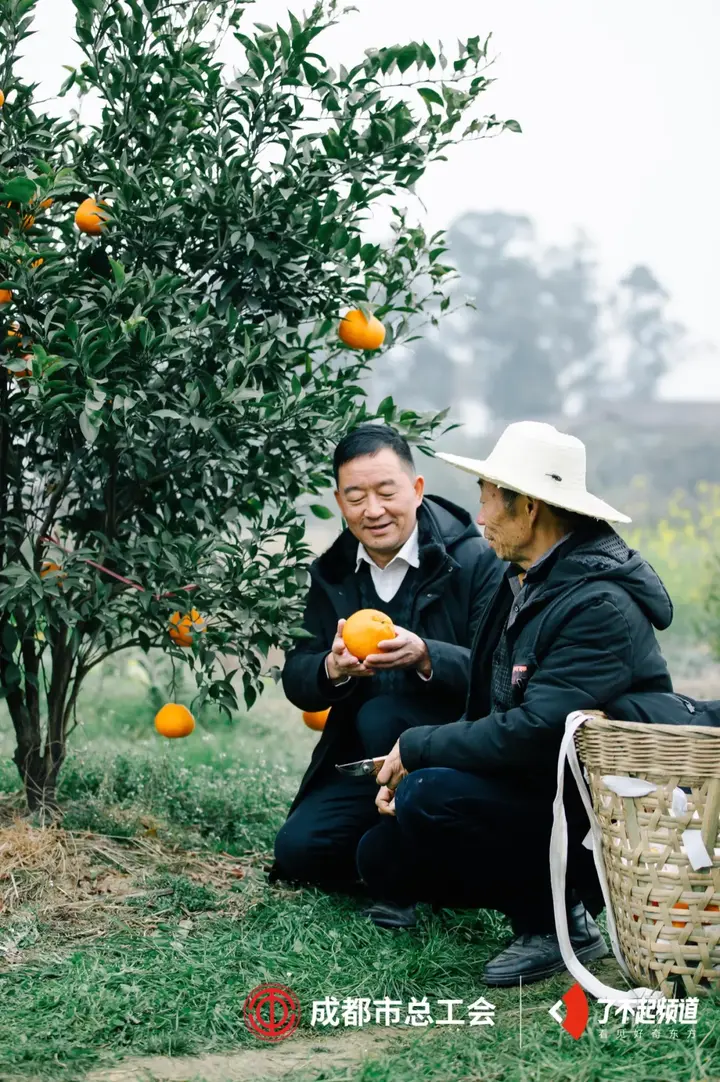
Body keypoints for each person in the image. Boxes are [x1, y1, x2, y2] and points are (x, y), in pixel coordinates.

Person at [357, 421, 675, 984]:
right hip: (537, 788)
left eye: (487, 502)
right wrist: (414, 767)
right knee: (380, 853)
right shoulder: (522, 581)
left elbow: (540, 731)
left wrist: (421, 748)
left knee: (432, 794)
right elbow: (488, 710)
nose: (479, 518)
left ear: (527, 507)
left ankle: (559, 922)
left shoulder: (598, 606)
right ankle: (533, 893)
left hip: (593, 815)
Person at [272, 424, 503, 923]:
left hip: (451, 752)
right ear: (339, 502)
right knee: (299, 851)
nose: (372, 510)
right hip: (365, 761)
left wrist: (427, 656)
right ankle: (399, 856)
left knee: (384, 713)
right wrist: (331, 669)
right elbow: (297, 675)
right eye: (356, 496)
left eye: (386, 492)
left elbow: (499, 673)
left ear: (416, 491)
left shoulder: (474, 561)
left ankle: (408, 866)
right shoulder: (331, 574)